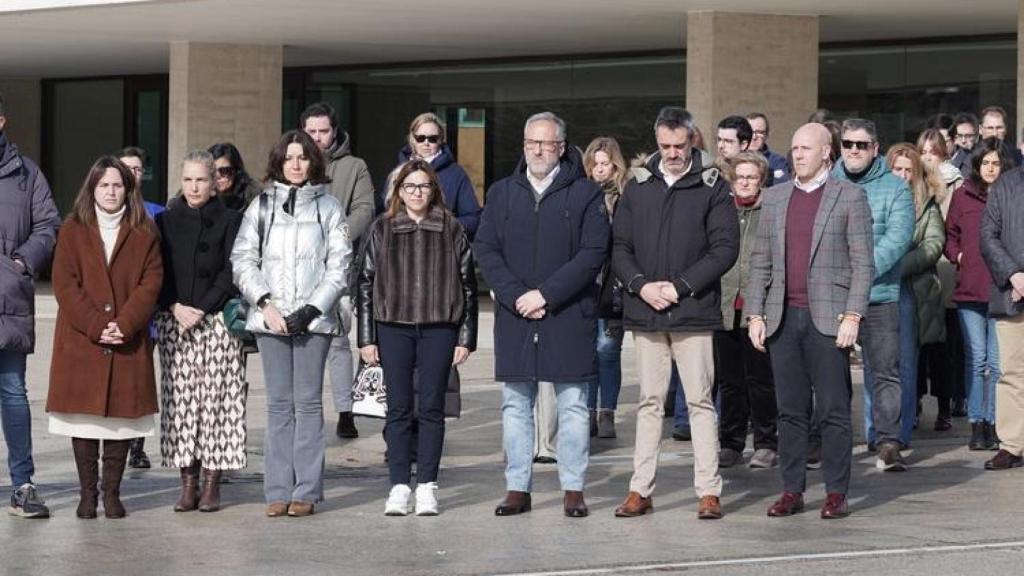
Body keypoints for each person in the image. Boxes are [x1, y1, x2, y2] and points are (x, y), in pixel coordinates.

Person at [475, 111, 609, 519]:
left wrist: (546, 295)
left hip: (567, 313)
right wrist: (518, 296)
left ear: (561, 148)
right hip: (516, 315)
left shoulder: (584, 194)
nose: (537, 150)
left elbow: (592, 254)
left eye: (546, 143)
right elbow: (486, 247)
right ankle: (518, 486)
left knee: (572, 404)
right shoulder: (502, 193)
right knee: (516, 404)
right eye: (531, 142)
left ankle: (573, 488)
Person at [612, 106, 738, 521]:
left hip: (694, 311)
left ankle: (708, 491)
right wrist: (642, 286)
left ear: (692, 140)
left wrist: (680, 286)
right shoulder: (638, 185)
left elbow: (724, 248)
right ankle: (640, 489)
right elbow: (620, 248)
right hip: (646, 310)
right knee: (649, 402)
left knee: (700, 401)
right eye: (665, 146)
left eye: (679, 146)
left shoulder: (712, 185)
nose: (672, 153)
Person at [745, 123, 875, 520]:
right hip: (783, 318)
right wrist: (755, 313)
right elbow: (760, 261)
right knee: (790, 410)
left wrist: (853, 315)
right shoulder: (775, 197)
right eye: (794, 147)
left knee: (834, 409)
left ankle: (836, 492)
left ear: (826, 153)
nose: (797, 154)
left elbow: (863, 264)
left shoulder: (849, 197)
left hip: (829, 317)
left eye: (806, 148)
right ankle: (791, 489)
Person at [232, 129, 352, 517]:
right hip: (272, 321)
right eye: (289, 158)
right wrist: (265, 304)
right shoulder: (261, 206)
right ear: (278, 163)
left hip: (313, 323)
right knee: (279, 406)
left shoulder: (330, 207)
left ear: (313, 162)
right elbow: (243, 259)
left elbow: (340, 265)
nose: (296, 164)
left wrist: (312, 309)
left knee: (309, 405)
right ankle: (277, 490)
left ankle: (307, 491)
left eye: (302, 157)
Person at [357, 159, 478, 516]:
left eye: (423, 186)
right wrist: (367, 337)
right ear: (399, 191)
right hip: (393, 326)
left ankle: (426, 485)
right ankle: (397, 485)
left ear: (434, 190)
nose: (417, 193)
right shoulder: (383, 227)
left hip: (440, 327)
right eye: (410, 186)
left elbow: (468, 286)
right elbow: (364, 283)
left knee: (431, 409)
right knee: (396, 409)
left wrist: (465, 337)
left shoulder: (451, 228)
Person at [46, 156, 163, 519]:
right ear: (91, 189)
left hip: (127, 339)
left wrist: (125, 323)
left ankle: (112, 494)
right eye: (104, 185)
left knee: (120, 422)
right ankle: (87, 495)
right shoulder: (72, 229)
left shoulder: (144, 230)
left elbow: (151, 281)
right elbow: (65, 284)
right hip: (82, 340)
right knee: (84, 420)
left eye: (117, 185)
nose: (111, 192)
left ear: (128, 189)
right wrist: (98, 325)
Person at [155, 150, 245, 513]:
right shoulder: (164, 221)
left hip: (217, 321)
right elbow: (155, 271)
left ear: (214, 182)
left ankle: (212, 482)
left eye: (202, 180)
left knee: (218, 403)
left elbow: (232, 270)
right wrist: (175, 306)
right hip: (175, 320)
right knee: (180, 404)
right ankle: (187, 482)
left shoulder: (231, 219)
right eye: (188, 179)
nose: (194, 187)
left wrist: (204, 308)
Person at [832, 118, 914, 470]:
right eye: (848, 143)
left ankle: (888, 441)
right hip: (832, 297)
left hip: (880, 295)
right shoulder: (825, 182)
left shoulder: (896, 188)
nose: (853, 150)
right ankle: (832, 440)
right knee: (830, 374)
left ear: (875, 148)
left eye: (861, 145)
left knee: (885, 372)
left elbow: (897, 239)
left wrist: (858, 276)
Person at [0, 94, 61, 518]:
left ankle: (22, 485)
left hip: (9, 300)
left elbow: (48, 225)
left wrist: (20, 263)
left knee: (13, 395)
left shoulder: (26, 174)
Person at [300, 102, 374, 440]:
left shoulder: (354, 167)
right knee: (301, 342)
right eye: (311, 132)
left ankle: (346, 410)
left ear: (334, 131)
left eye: (323, 131)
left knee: (337, 341)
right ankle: (306, 409)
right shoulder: (294, 164)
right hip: (298, 269)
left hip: (339, 267)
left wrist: (335, 239)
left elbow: (364, 208)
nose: (317, 138)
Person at [945, 137, 1011, 452]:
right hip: (969, 289)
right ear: (977, 164)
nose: (990, 168)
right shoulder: (962, 196)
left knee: (997, 364)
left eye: (996, 163)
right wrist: (958, 256)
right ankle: (976, 423)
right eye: (985, 162)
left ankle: (995, 422)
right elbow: (950, 235)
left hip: (1001, 291)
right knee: (977, 359)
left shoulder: (1011, 196)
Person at [716, 151, 778, 469]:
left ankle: (766, 442)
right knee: (729, 380)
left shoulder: (772, 211)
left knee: (761, 379)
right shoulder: (721, 210)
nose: (744, 182)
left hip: (759, 308)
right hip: (725, 305)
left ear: (761, 179)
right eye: (739, 176)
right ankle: (731, 442)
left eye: (751, 177)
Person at [886, 144, 946, 446]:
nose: (904, 176)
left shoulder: (928, 204)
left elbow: (934, 244)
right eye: (898, 169)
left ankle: (902, 431)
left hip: (911, 287)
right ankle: (878, 431)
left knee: (908, 363)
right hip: (880, 288)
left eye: (910, 171)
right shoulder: (878, 198)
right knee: (880, 364)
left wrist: (897, 265)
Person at [116, 146, 161, 470]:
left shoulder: (157, 213)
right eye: (125, 168)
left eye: (136, 168)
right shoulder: (105, 210)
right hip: (115, 314)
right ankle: (116, 442)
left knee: (142, 381)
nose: (132, 173)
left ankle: (138, 447)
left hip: (150, 317)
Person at [979, 151, 1024, 470]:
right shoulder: (1006, 185)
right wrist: (1013, 273)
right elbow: (987, 236)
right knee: (1011, 372)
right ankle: (1012, 444)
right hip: (1013, 292)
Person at [916, 129, 963, 431]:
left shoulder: (956, 183)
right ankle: (917, 402)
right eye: (923, 150)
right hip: (919, 272)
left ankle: (946, 405)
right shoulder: (912, 182)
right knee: (918, 344)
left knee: (943, 346)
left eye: (934, 150)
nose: (928, 156)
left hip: (945, 271)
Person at [582, 136, 628, 439]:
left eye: (605, 164)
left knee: (608, 349)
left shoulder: (626, 196)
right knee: (588, 352)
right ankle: (588, 413)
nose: (600, 170)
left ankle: (607, 410)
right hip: (587, 281)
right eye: (595, 164)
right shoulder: (582, 195)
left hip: (616, 282)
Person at [394, 112, 481, 238]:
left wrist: (446, 228)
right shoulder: (398, 172)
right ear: (412, 139)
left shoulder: (456, 174)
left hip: (442, 246)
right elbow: (386, 212)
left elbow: (473, 218)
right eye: (421, 138)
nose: (426, 143)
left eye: (432, 138)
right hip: (403, 244)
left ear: (440, 140)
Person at [208, 142, 261, 211]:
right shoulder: (204, 196)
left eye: (224, 171)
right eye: (212, 171)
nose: (217, 176)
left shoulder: (253, 198)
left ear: (236, 170)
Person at [747, 112, 791, 187]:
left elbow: (781, 190)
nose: (754, 137)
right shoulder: (732, 160)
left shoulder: (778, 162)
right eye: (749, 132)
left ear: (767, 135)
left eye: (759, 132)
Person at [951, 113, 979, 181]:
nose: (963, 141)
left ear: (977, 136)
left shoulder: (981, 158)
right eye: (960, 136)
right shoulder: (953, 155)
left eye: (968, 136)